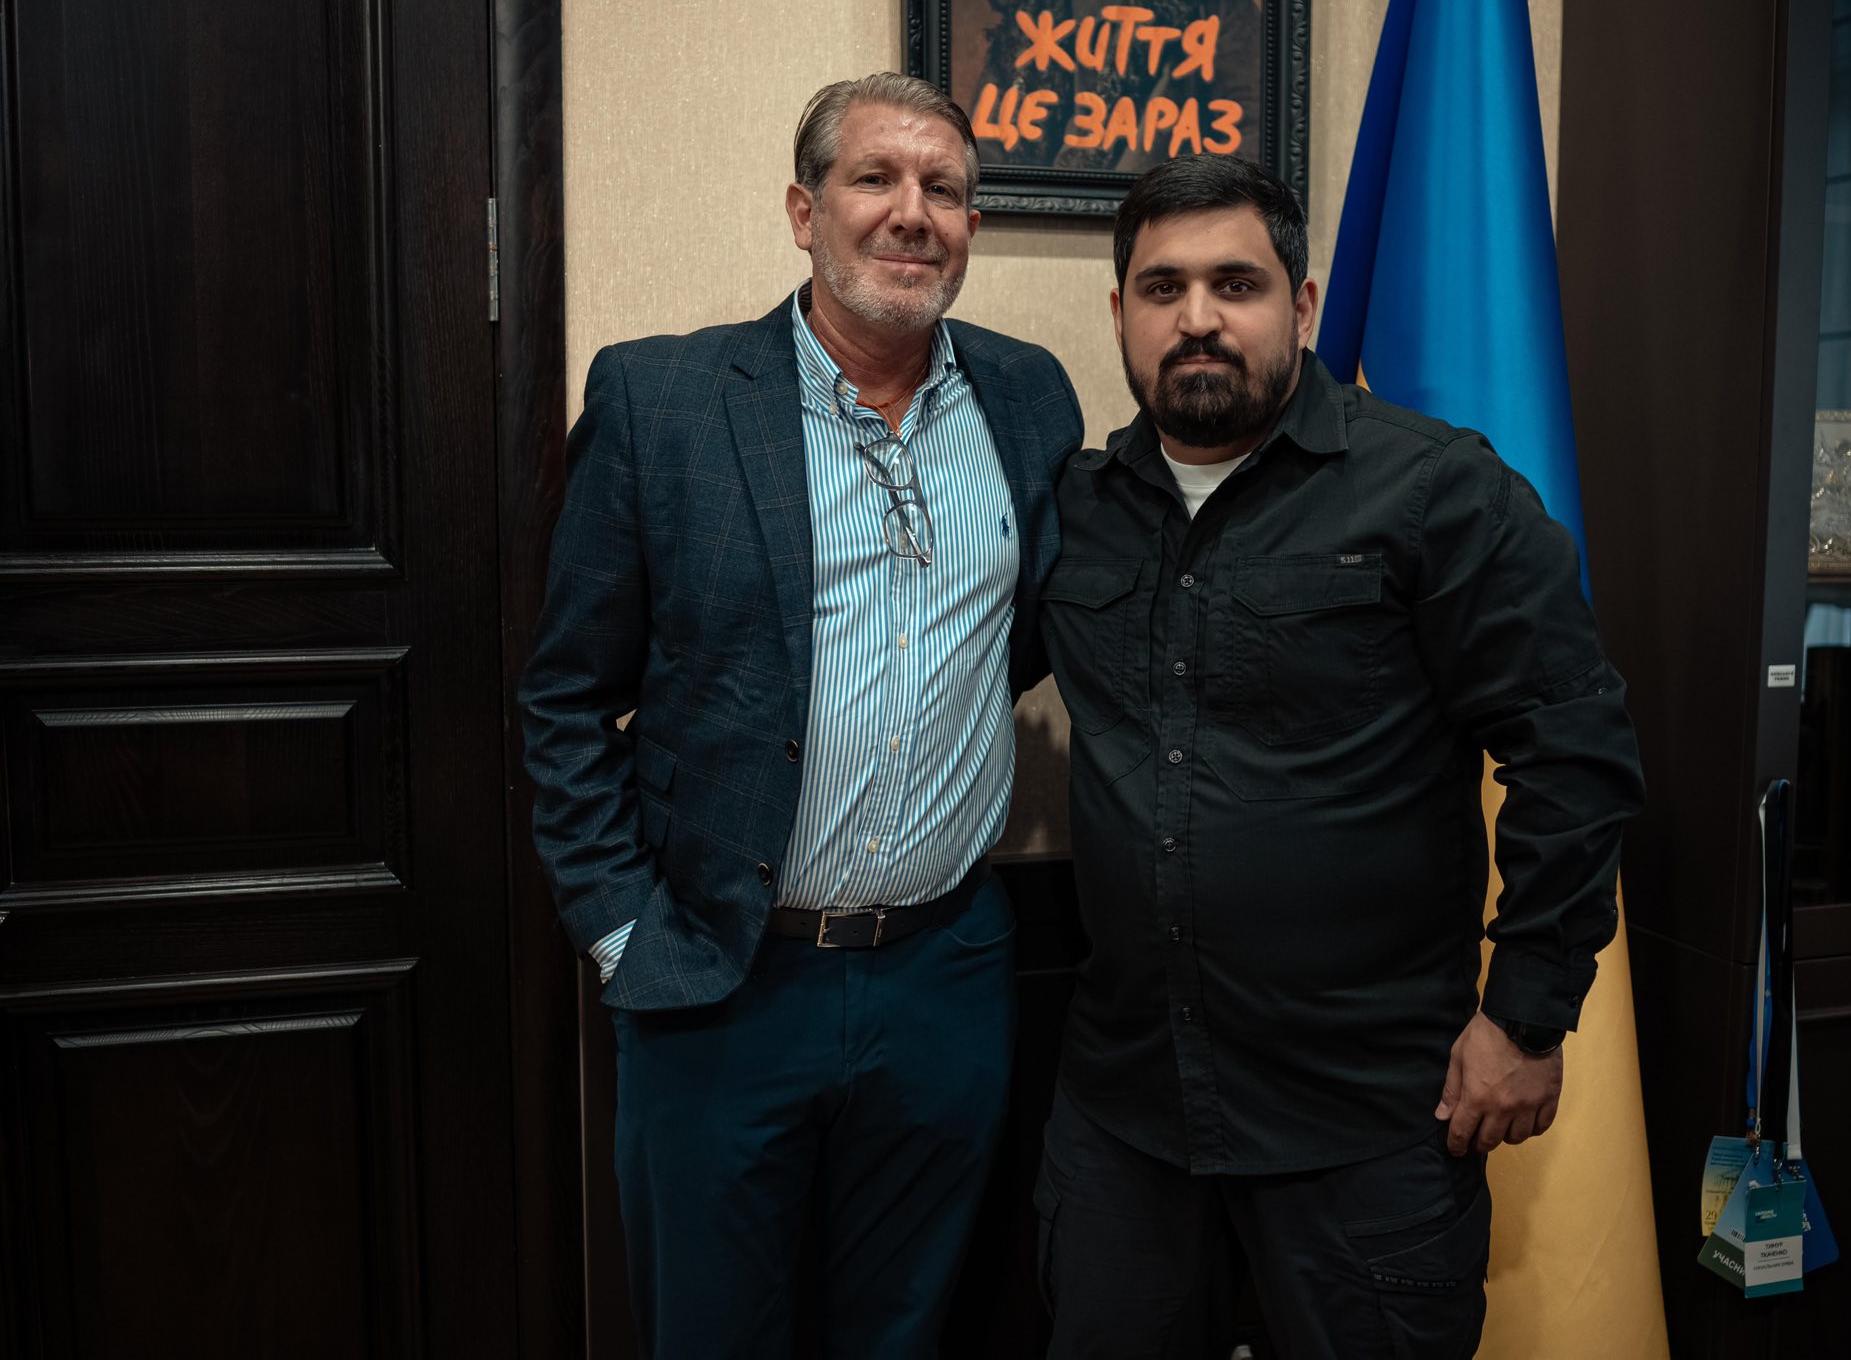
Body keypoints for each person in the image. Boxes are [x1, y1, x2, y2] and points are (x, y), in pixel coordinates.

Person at [1033, 154, 1644, 1360]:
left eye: (1234, 283)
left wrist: (1525, 1019)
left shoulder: (1435, 488)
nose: (1196, 317)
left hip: (1364, 1125)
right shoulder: (1079, 506)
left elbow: (1573, 747)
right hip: (1126, 1116)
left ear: (1301, 305)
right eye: (1160, 287)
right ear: (1118, 312)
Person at [520, 72, 1083, 1360]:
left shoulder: (1027, 398)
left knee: (898, 1329)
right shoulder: (664, 400)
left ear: (970, 225)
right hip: (722, 976)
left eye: (944, 188)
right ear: (802, 210)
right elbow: (566, 696)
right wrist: (621, 931)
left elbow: (1026, 637)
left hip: (942, 976)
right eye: (873, 178)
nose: (911, 212)